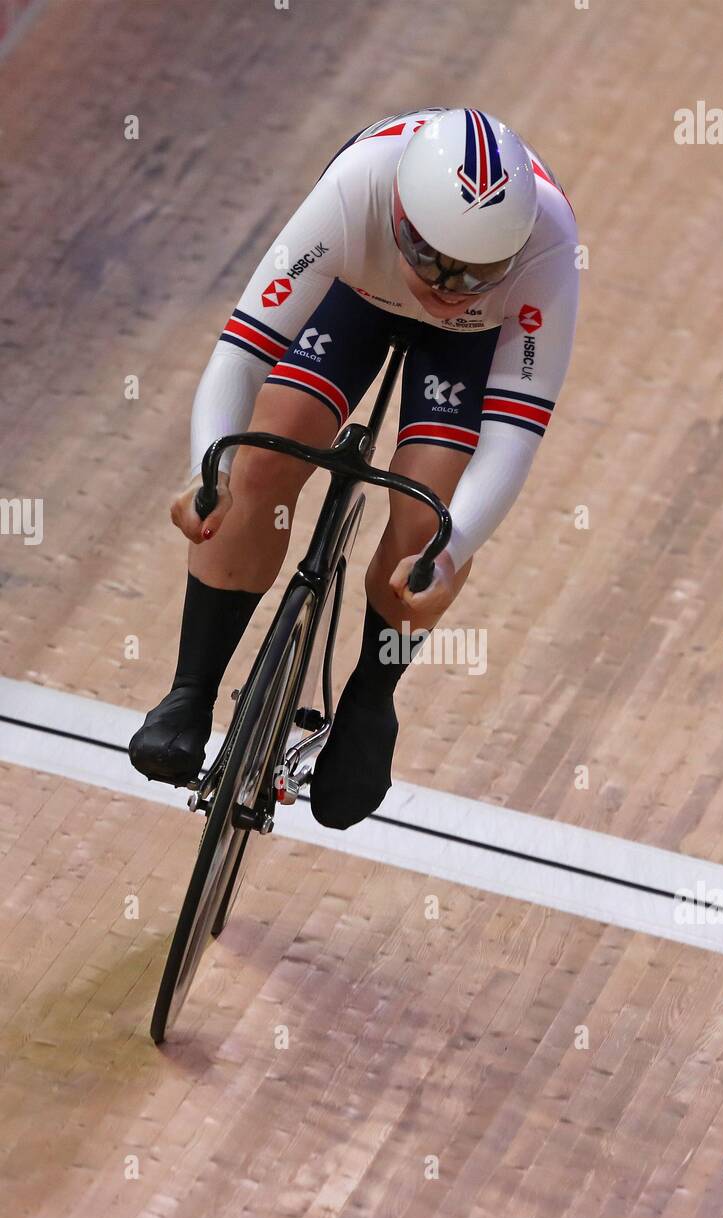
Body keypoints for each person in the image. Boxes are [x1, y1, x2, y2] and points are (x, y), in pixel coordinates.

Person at [129, 107, 579, 829]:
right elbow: (240, 355)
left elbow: (513, 437)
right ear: (399, 214)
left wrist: (451, 547)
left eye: (479, 271)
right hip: (356, 295)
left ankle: (371, 703)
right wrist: (202, 471)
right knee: (266, 457)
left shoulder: (550, 248)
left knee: (424, 515)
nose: (450, 286)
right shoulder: (356, 187)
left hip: (468, 346)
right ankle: (190, 689)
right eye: (433, 260)